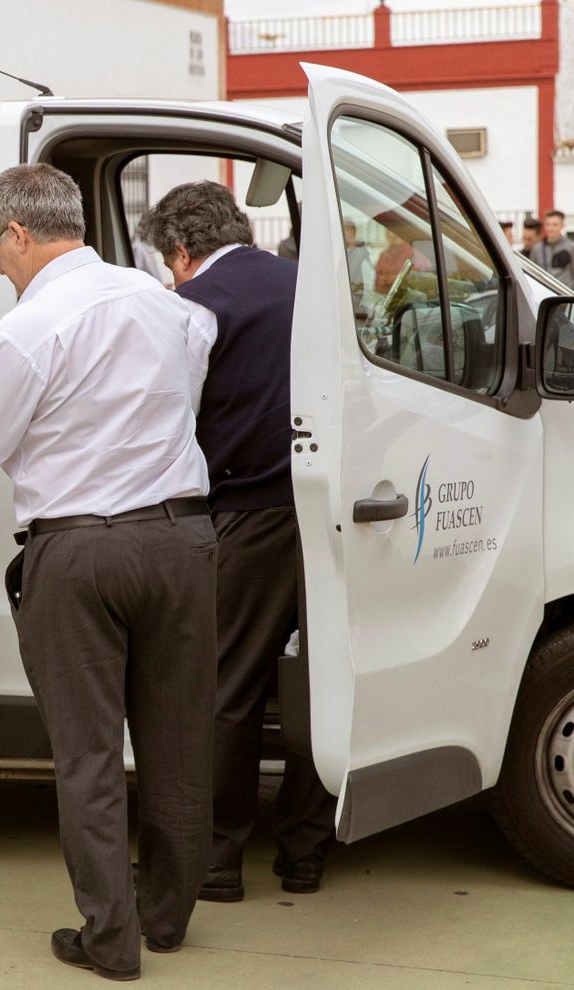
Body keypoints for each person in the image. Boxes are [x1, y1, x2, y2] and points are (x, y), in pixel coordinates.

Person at [0, 163, 218, 980]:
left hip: (80, 553)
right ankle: (165, 920)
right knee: (179, 745)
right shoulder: (168, 304)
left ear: (19, 234)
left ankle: (109, 941)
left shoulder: (28, 328)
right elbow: (126, 406)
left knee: (89, 755)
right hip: (181, 539)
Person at [136, 181, 338, 905]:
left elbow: (167, 417)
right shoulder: (313, 285)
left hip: (247, 513)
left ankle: (219, 857)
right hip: (332, 511)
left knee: (228, 686)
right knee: (321, 682)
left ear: (181, 250)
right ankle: (306, 852)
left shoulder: (193, 304)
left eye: (169, 262)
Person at [531, 210, 574, 288]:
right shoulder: (537, 249)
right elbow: (532, 273)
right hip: (543, 291)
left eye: (555, 225)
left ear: (562, 225)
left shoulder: (571, 247)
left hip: (565, 292)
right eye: (547, 224)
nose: (550, 228)